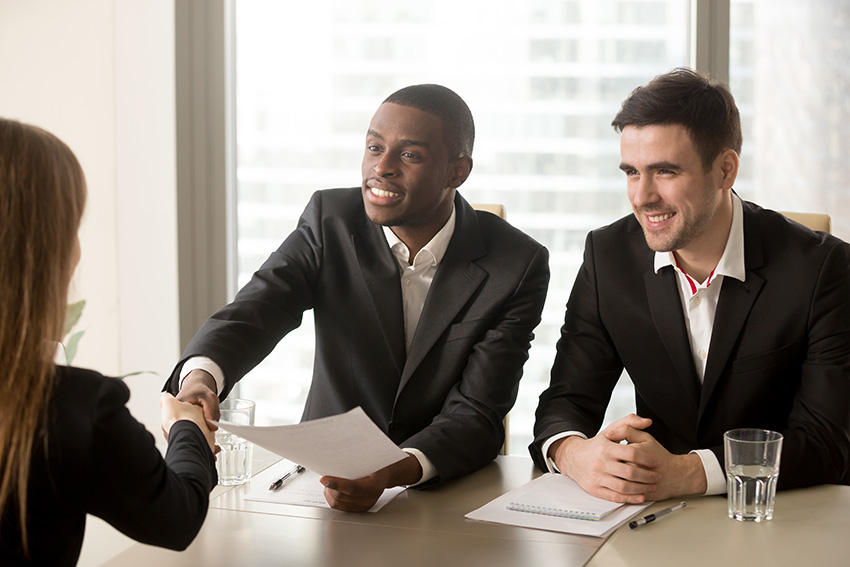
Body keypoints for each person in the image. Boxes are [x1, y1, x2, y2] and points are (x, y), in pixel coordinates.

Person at [165, 84, 550, 511]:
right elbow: (259, 308)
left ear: (456, 173)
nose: (381, 167)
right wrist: (201, 377)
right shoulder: (329, 221)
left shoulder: (517, 264)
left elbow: (478, 412)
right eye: (373, 147)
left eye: (409, 155)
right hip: (317, 483)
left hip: (446, 489)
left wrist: (394, 470)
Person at [530, 67, 850, 504]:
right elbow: (566, 400)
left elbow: (826, 443)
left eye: (665, 172)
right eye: (631, 172)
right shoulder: (608, 258)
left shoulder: (824, 268)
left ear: (725, 170)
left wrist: (689, 472)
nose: (642, 196)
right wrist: (574, 453)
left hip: (785, 514)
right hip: (658, 518)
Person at [0, 118, 218, 565]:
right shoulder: (70, 408)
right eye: (73, 227)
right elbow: (176, 518)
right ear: (46, 251)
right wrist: (187, 429)